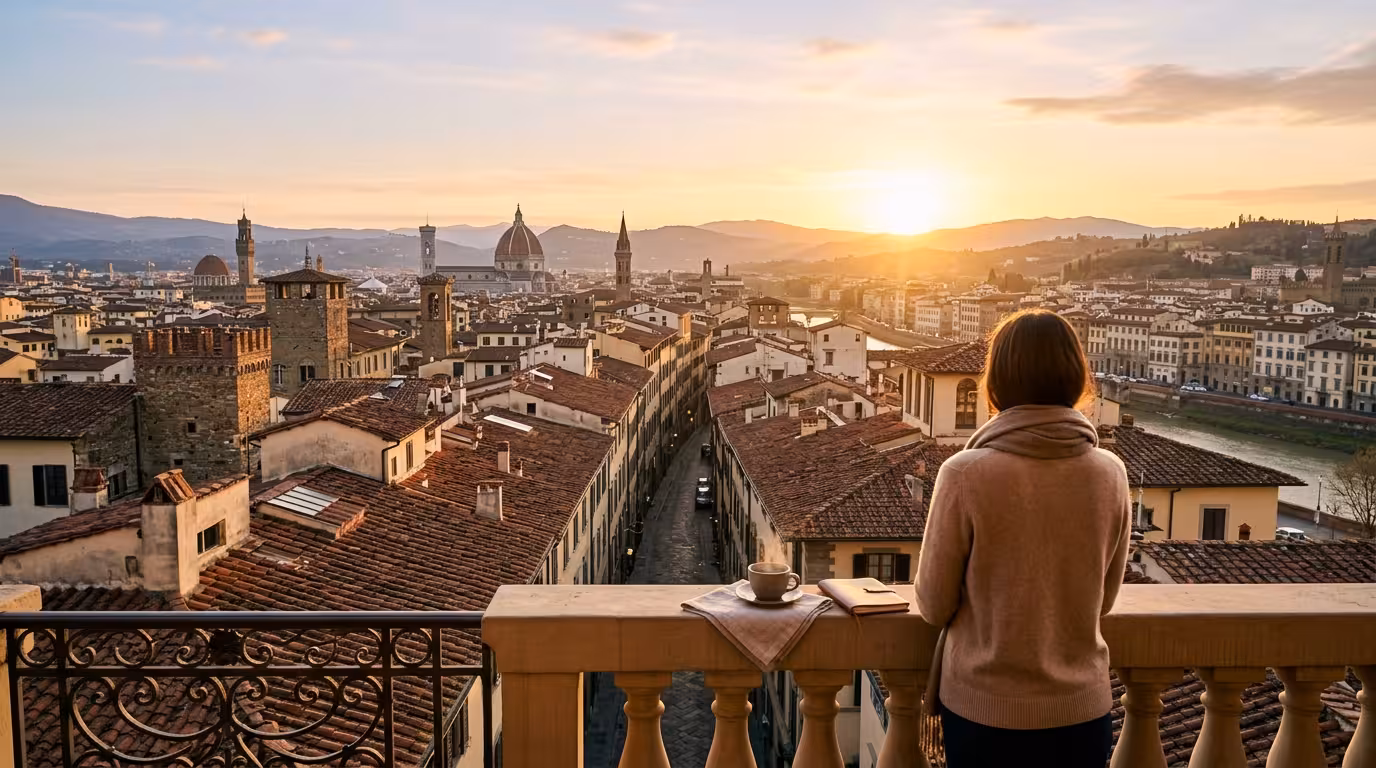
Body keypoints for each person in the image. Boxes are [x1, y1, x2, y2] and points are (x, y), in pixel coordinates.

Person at [916, 309, 1131, 767]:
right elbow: (1105, 599)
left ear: (997, 380)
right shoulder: (1110, 473)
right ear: (1076, 376)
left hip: (984, 711)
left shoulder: (965, 473)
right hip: (1081, 711)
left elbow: (933, 605)